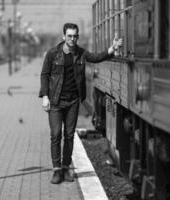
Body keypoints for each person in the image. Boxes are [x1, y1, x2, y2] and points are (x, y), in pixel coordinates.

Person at [39, 23, 123, 184]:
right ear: (64, 36)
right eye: (69, 36)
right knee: (56, 135)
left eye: (75, 36)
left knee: (69, 136)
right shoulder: (52, 54)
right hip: (56, 101)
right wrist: (45, 96)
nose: (72, 39)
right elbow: (44, 75)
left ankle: (65, 168)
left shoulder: (81, 53)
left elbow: (97, 58)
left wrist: (112, 49)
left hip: (73, 101)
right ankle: (56, 171)